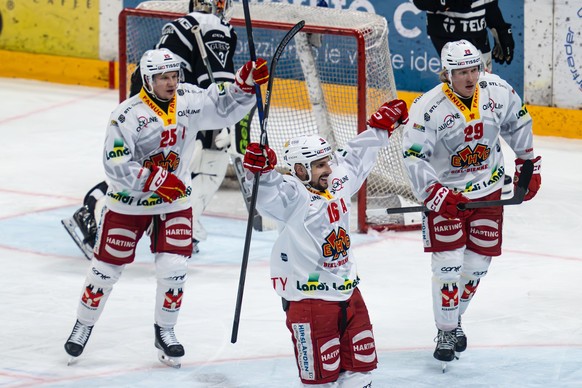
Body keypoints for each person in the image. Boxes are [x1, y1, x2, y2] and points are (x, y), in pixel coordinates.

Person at [63, 48, 269, 367]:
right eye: (163, 78)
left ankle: (166, 331)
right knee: (104, 271)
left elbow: (223, 109)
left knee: (174, 269)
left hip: (175, 202)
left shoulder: (188, 100)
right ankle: (83, 325)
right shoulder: (126, 115)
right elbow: (114, 162)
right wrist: (155, 179)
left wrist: (243, 86)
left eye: (174, 76)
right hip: (130, 203)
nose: (171, 83)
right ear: (148, 80)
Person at [241, 99, 409, 386]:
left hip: (348, 294)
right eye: (319, 165)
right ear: (300, 169)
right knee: (321, 382)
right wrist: (259, 172)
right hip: (311, 302)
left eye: (327, 161)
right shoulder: (293, 196)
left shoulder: (336, 181)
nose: (328, 169)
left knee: (361, 371)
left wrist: (381, 128)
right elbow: (268, 194)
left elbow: (355, 157)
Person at [61, 0, 245, 259]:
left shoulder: (180, 24)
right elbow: (219, 86)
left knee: (146, 168)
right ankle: (180, 225)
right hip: (172, 106)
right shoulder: (215, 27)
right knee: (204, 160)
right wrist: (227, 120)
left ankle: (93, 207)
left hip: (147, 100)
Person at [400, 40, 541, 370]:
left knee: (476, 267)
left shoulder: (496, 90)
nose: (469, 77)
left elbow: (518, 122)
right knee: (448, 264)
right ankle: (446, 331)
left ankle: (455, 319)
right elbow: (413, 156)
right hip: (447, 198)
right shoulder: (428, 108)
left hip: (489, 190)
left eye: (473, 69)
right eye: (461, 72)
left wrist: (527, 164)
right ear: (446, 73)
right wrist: (436, 195)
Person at [413, 0, 515, 71]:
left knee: (484, 82)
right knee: (464, 80)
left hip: (478, 32)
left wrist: (500, 27)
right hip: (447, 32)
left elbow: (489, 5)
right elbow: (420, 2)